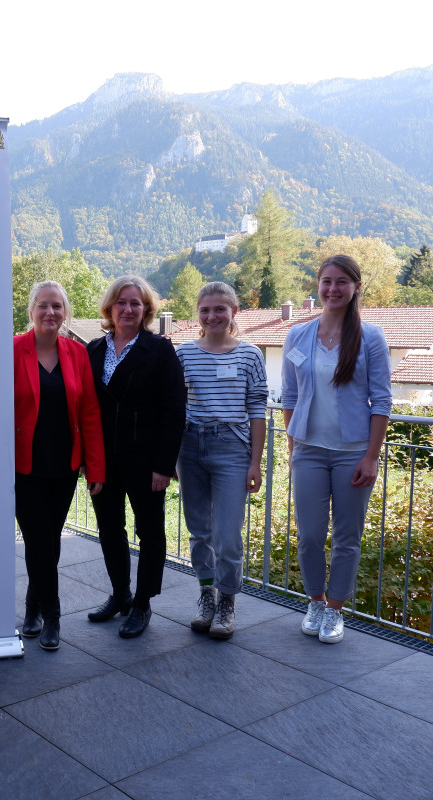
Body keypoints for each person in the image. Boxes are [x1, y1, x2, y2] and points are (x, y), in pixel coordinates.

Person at [282, 254, 391, 644]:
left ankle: (335, 610)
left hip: (352, 452)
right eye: (326, 281)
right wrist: (294, 445)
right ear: (318, 285)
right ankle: (315, 600)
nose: (332, 289)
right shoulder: (298, 335)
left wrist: (371, 457)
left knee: (347, 536)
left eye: (341, 281)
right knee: (310, 535)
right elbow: (290, 396)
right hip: (308, 450)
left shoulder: (371, 337)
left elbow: (381, 401)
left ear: (356, 287)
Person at [85, 276, 186, 639]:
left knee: (150, 534)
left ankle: (142, 604)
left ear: (146, 310)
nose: (128, 309)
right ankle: (120, 595)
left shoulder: (159, 350)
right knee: (110, 531)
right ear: (110, 308)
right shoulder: (94, 349)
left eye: (136, 303)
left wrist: (164, 465)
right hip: (104, 460)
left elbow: (174, 410)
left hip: (146, 461)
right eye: (121, 302)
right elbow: (86, 408)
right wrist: (87, 458)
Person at [14, 281, 105, 651]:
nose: (50, 313)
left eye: (57, 307)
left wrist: (95, 467)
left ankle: (32, 608)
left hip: (65, 465)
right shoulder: (12, 350)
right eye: (43, 306)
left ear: (65, 313)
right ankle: (53, 616)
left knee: (49, 541)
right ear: (31, 311)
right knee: (38, 540)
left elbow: (89, 412)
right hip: (24, 466)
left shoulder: (76, 354)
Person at [175, 282, 268, 640]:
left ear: (233, 312)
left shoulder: (250, 355)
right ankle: (205, 595)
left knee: (228, 534)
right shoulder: (184, 354)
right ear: (197, 313)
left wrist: (255, 462)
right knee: (200, 530)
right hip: (189, 446)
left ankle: (227, 599)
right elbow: (174, 407)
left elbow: (257, 409)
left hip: (231, 447)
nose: (212, 316)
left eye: (220, 309)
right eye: (205, 310)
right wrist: (171, 457)